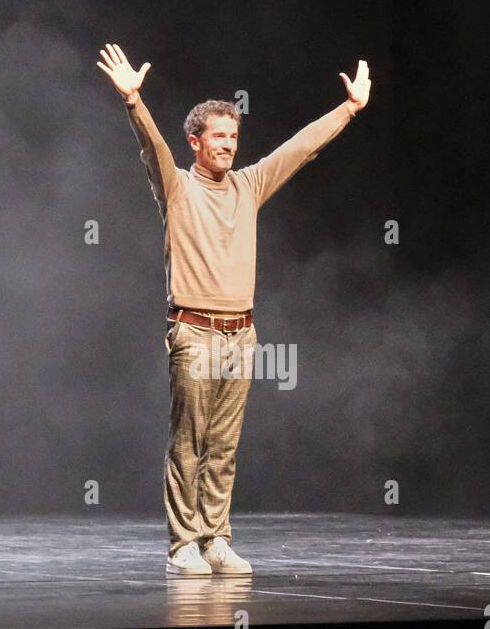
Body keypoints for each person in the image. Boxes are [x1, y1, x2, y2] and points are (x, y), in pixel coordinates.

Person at [97, 43, 371, 575]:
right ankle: (183, 545)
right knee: (189, 442)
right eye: (218, 137)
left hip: (240, 334)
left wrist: (350, 109)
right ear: (196, 142)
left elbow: (299, 148)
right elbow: (152, 148)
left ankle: (216, 538)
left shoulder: (248, 186)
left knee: (224, 445)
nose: (228, 146)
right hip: (193, 331)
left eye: (234, 137)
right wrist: (134, 102)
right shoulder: (177, 188)